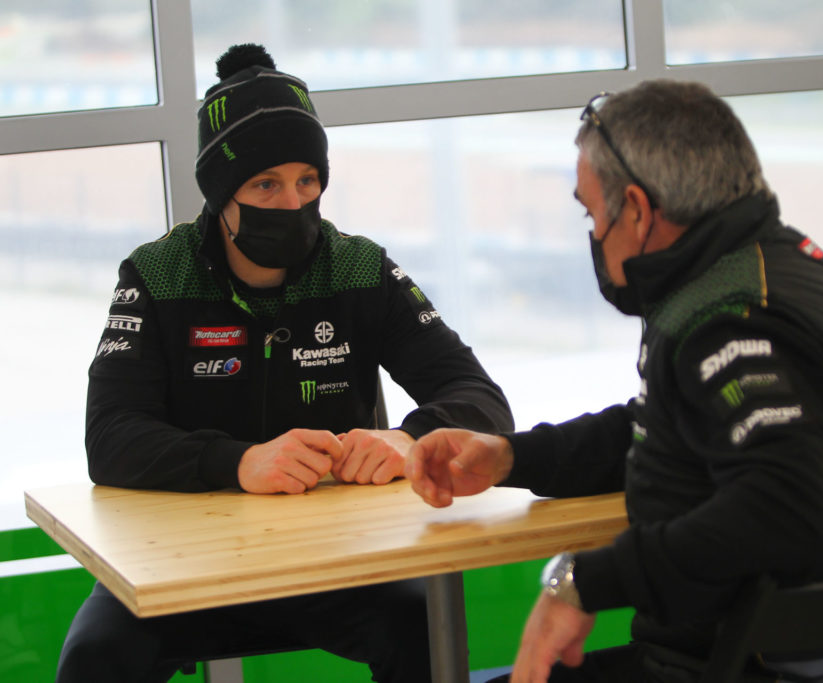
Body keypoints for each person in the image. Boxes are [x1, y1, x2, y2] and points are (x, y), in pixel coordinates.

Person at [406, 80, 823, 683]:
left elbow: (789, 512)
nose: (593, 236)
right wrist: (511, 456)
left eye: (593, 214)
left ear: (637, 211)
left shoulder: (732, 320)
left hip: (784, 661)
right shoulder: (779, 267)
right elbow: (672, 427)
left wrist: (581, 583)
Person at [56, 43, 513, 683]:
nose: (292, 201)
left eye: (307, 179)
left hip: (338, 566)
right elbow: (110, 438)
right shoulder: (156, 274)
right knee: (93, 660)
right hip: (182, 567)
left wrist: (405, 438)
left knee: (426, 631)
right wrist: (239, 461)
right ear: (220, 193)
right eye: (265, 183)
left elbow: (480, 397)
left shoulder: (359, 267)